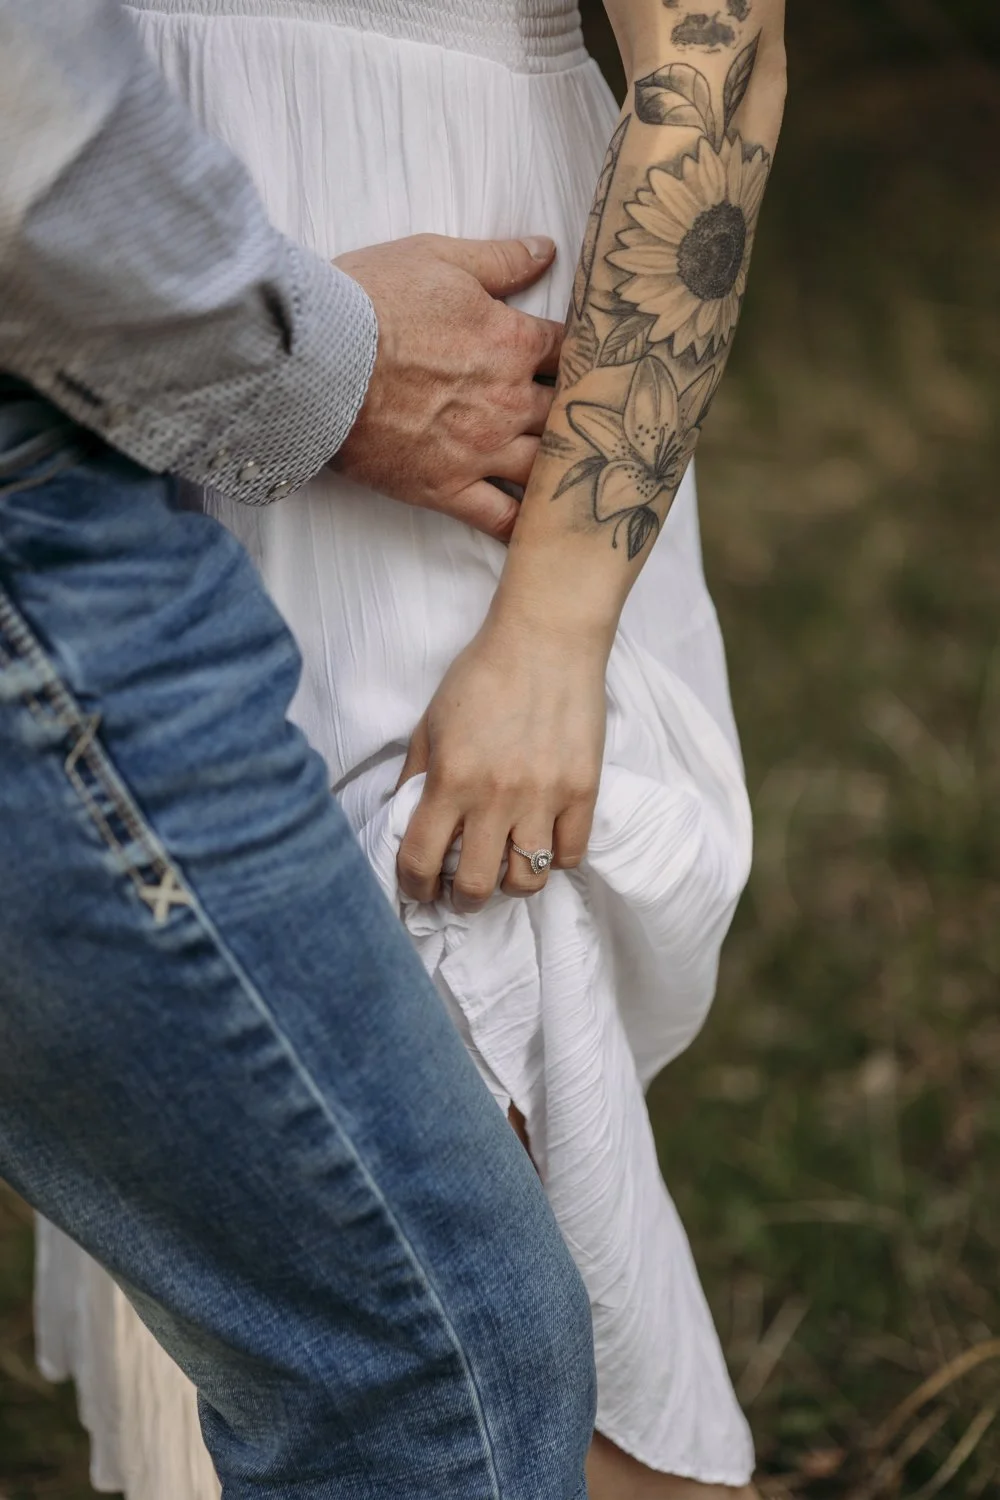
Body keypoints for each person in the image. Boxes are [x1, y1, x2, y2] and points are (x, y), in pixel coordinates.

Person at [30, 0, 787, 1497]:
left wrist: (555, 623)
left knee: (468, 1080)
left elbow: (722, 43)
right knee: (248, 1138)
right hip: (92, 306)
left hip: (436, 295)